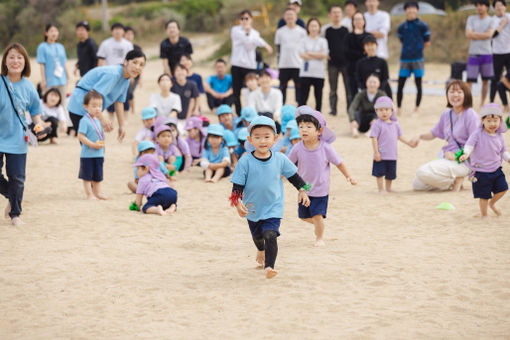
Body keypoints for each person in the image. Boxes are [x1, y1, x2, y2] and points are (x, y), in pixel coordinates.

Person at [230, 115, 310, 278]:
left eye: (267, 137)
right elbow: (237, 186)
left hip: (274, 206)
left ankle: (269, 267)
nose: (262, 141)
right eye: (257, 137)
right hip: (252, 208)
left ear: (275, 139)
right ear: (250, 140)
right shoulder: (245, 161)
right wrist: (237, 203)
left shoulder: (280, 159)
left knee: (270, 234)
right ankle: (260, 250)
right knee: (258, 236)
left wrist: (304, 190)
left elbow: (294, 176)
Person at [288, 106, 356, 246]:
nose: (304, 129)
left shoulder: (325, 147)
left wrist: (348, 176)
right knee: (304, 216)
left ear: (319, 131)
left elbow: (339, 163)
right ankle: (319, 224)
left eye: (308, 126)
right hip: (304, 188)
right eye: (301, 126)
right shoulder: (297, 148)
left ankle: (319, 238)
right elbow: (287, 165)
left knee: (317, 215)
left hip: (320, 188)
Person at [1, 43, 46, 226]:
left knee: (17, 179)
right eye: (11, 57)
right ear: (5, 61)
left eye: (19, 57)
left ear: (25, 62)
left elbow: (35, 112)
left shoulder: (28, 86)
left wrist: (39, 126)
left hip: (18, 139)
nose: (15, 61)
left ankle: (15, 214)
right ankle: (12, 197)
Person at [412, 80, 480, 191]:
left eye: (459, 92)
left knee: (422, 172)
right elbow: (434, 133)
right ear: (447, 94)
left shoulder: (470, 114)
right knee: (418, 184)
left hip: (463, 161)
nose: (455, 95)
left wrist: (457, 155)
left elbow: (476, 143)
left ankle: (456, 179)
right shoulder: (447, 114)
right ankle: (453, 180)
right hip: (446, 157)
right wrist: (419, 136)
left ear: (466, 94)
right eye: (452, 92)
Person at [68, 49, 146, 142]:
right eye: (135, 62)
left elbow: (119, 102)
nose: (137, 67)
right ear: (125, 62)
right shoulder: (114, 74)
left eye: (141, 65)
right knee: (93, 143)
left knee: (96, 143)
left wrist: (121, 126)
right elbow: (94, 96)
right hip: (80, 106)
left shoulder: (126, 79)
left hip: (91, 110)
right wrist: (102, 120)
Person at [459, 103, 509, 217]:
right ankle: (484, 215)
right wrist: (466, 154)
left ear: (500, 121)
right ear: (482, 121)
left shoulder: (499, 136)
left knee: (503, 188)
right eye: (489, 120)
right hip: (480, 171)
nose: (492, 124)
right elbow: (469, 145)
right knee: (483, 195)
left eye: (495, 120)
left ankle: (492, 203)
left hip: (496, 169)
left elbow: (503, 151)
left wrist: (508, 158)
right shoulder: (477, 134)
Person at [370, 96, 417, 193]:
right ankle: (380, 189)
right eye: (381, 110)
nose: (384, 112)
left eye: (386, 109)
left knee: (390, 173)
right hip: (380, 154)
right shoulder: (377, 124)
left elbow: (400, 136)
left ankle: (388, 188)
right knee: (379, 172)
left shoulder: (395, 124)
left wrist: (409, 143)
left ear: (392, 110)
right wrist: (376, 152)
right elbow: (374, 138)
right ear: (376, 111)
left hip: (392, 155)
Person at [231, 10, 273, 116]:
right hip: (237, 65)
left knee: (253, 89)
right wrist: (249, 34)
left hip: (250, 66)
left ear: (251, 19)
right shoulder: (235, 30)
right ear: (239, 20)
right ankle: (240, 115)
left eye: (247, 18)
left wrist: (266, 45)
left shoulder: (255, 33)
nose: (244, 20)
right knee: (236, 92)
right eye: (242, 18)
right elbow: (248, 43)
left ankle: (254, 112)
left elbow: (255, 42)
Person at [396, 2, 431, 115]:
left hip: (418, 59)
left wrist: (418, 49)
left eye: (413, 9)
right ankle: (399, 108)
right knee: (400, 84)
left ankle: (416, 108)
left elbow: (427, 42)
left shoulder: (423, 25)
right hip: (404, 59)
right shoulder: (401, 27)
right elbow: (401, 40)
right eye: (408, 9)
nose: (411, 11)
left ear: (417, 10)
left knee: (418, 84)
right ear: (405, 11)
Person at [77, 90, 107, 200]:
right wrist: (92, 145)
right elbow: (81, 136)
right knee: (87, 176)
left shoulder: (98, 120)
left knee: (97, 176)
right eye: (94, 106)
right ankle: (89, 194)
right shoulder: (84, 120)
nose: (98, 108)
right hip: (87, 154)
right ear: (86, 106)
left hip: (99, 153)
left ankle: (97, 193)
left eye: (100, 106)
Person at [465, 0, 496, 106]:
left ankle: (482, 103)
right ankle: (469, 103)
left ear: (487, 7)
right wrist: (483, 34)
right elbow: (468, 35)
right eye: (477, 5)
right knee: (469, 81)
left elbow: (489, 35)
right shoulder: (471, 19)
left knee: (485, 81)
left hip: (487, 54)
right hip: (473, 53)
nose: (479, 7)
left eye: (481, 5)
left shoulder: (492, 20)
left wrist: (475, 34)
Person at [275, 7, 307, 104]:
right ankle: (281, 107)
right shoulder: (280, 32)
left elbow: (305, 47)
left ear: (296, 17)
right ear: (284, 17)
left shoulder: (302, 31)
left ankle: (300, 107)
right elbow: (278, 47)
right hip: (284, 64)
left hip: (298, 64)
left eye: (292, 15)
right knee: (282, 88)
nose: (290, 17)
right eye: (287, 15)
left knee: (299, 88)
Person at [323, 5, 350, 116]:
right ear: (330, 15)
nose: (336, 14)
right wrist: (325, 53)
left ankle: (349, 109)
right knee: (333, 88)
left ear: (342, 14)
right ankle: (333, 110)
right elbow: (322, 43)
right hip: (332, 63)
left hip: (345, 63)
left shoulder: (346, 29)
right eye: (334, 12)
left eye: (338, 12)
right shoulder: (327, 30)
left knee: (348, 88)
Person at [298, 18, 329, 112]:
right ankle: (301, 114)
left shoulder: (323, 41)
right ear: (308, 27)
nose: (314, 28)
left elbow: (324, 55)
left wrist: (309, 53)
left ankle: (318, 117)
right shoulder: (303, 40)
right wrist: (317, 54)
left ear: (319, 28)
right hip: (305, 73)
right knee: (303, 97)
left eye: (316, 26)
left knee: (318, 97)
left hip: (319, 73)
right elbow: (302, 54)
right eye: (311, 26)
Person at [344, 12, 371, 106]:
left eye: (360, 19)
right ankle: (354, 113)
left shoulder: (368, 36)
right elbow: (346, 52)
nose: (358, 21)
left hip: (366, 69)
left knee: (366, 91)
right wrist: (361, 53)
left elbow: (370, 51)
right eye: (356, 19)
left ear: (364, 21)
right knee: (353, 92)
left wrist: (356, 53)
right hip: (352, 69)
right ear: (352, 22)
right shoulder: (348, 37)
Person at [37, 24, 70, 101]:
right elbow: (42, 64)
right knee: (48, 103)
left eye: (56, 31)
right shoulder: (42, 47)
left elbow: (64, 63)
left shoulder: (60, 46)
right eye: (51, 31)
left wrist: (68, 77)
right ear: (46, 33)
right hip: (50, 80)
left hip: (62, 79)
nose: (54, 33)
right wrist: (43, 80)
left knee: (63, 104)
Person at [490, 0, 510, 103]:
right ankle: (491, 101)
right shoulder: (492, 20)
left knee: (508, 79)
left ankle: (506, 103)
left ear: (505, 7)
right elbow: (492, 35)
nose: (499, 7)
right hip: (497, 53)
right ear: (494, 8)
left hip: (509, 52)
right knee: (495, 79)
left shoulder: (509, 17)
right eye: (496, 6)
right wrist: (502, 25)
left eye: (501, 5)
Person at [171, 63, 200, 131]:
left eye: (182, 70)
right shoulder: (172, 86)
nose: (180, 72)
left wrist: (196, 110)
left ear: (187, 72)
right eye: (177, 70)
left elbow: (196, 98)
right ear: (174, 74)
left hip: (190, 114)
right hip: (176, 117)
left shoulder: (192, 85)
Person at [124, 26, 142, 115]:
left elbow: (141, 64)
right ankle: (127, 109)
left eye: (131, 34)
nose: (129, 36)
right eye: (127, 34)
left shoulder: (137, 48)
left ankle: (132, 110)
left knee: (130, 92)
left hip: (135, 75)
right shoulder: (122, 47)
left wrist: (140, 78)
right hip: (124, 74)